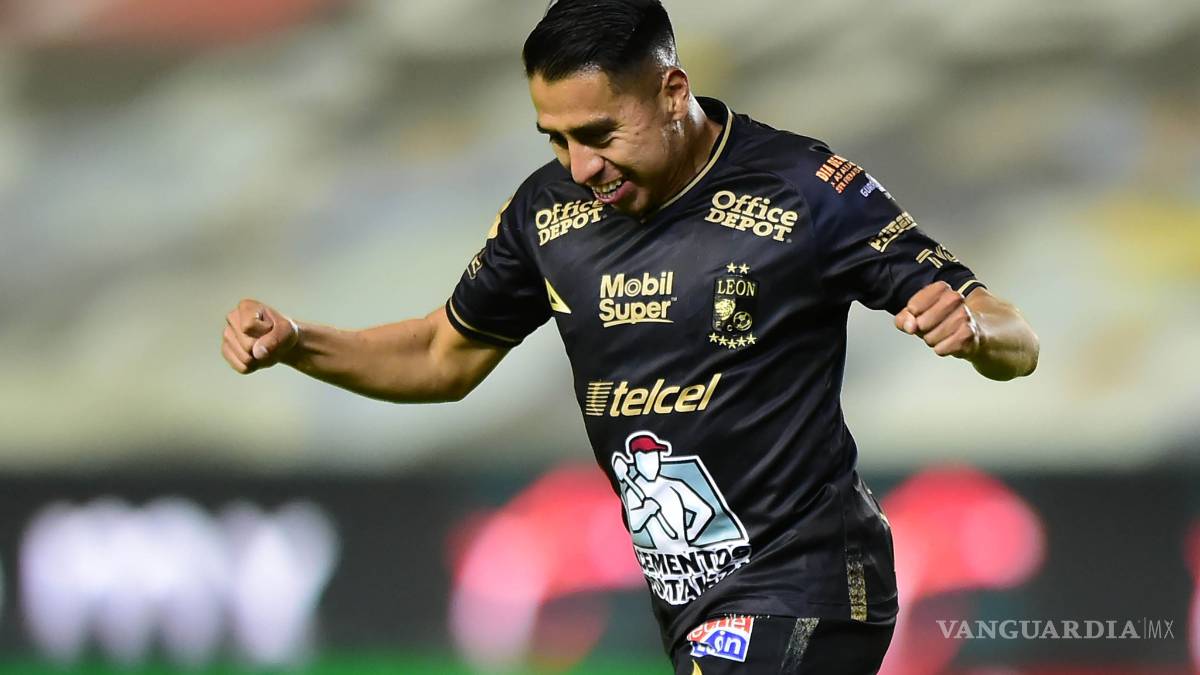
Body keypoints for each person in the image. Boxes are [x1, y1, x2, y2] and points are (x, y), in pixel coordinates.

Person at [220, 1, 1039, 672]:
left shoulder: (803, 188)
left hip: (809, 580)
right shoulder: (547, 214)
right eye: (556, 138)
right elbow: (441, 356)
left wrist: (975, 327)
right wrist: (297, 342)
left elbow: (1015, 334)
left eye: (600, 134)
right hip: (689, 603)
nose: (580, 165)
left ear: (672, 92)